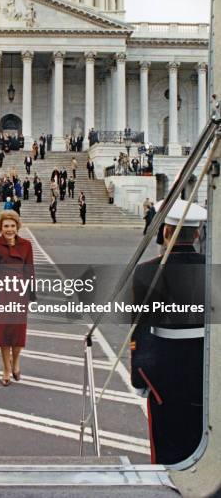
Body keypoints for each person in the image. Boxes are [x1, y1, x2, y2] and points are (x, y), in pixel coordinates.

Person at [131, 199, 206, 464]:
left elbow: (140, 326)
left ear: (165, 231)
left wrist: (139, 376)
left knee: (168, 449)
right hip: (207, 371)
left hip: (164, 373)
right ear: (197, 233)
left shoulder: (146, 271)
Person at [0, 211, 35, 385]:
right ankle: (6, 368)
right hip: (2, 292)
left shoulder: (26, 245)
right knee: (4, 332)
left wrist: (31, 294)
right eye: (6, 226)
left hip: (20, 292)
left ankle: (17, 362)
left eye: (12, 226)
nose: (9, 229)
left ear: (17, 227)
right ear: (0, 228)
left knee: (18, 331)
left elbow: (29, 269)